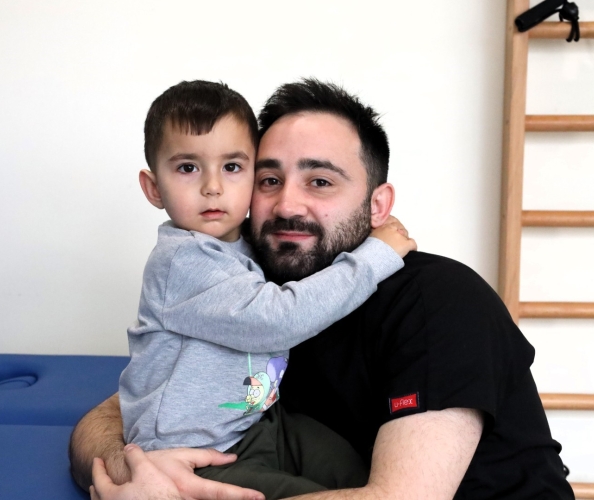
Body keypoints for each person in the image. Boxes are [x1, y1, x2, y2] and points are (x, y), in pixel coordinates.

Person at [70, 79, 575, 500]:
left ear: (378, 207)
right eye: (269, 180)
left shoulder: (438, 301)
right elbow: (119, 411)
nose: (287, 205)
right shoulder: (253, 286)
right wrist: (139, 472)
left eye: (320, 182)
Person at [113, 80, 416, 500]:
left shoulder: (246, 243)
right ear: (153, 188)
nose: (212, 187)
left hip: (253, 425)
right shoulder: (182, 260)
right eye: (187, 168)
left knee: (350, 468)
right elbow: (277, 320)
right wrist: (374, 258)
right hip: (192, 452)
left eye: (232, 168)